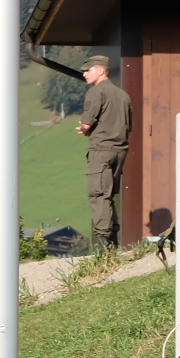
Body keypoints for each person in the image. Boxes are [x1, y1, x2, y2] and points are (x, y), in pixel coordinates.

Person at [75, 54, 131, 249]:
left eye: (88, 70)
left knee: (98, 196)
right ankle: (113, 242)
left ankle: (103, 246)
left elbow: (87, 123)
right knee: (108, 196)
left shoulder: (96, 92)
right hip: (120, 150)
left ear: (100, 70)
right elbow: (128, 126)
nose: (84, 73)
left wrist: (83, 129)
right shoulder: (123, 95)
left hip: (101, 151)